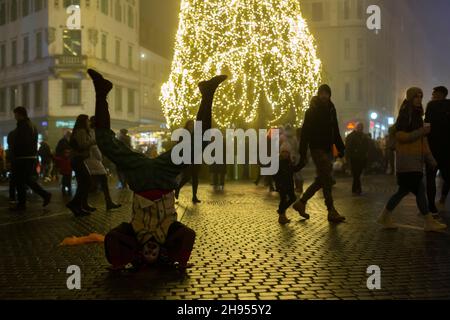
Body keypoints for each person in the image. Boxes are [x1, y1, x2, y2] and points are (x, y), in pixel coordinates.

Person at [88, 68, 227, 270]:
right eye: (154, 253)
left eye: (147, 253)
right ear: (161, 251)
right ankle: (208, 94)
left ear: (140, 252)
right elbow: (188, 235)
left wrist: (118, 263)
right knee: (202, 141)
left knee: (105, 142)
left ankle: (101, 92)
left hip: (140, 174)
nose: (150, 249)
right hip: (164, 174)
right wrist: (180, 261)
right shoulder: (169, 233)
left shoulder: (132, 234)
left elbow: (112, 238)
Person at [378, 87, 447, 232]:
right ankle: (428, 221)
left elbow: (423, 141)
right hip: (407, 161)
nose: (419, 99)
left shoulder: (417, 115)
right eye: (416, 96)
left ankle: (385, 216)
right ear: (410, 98)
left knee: (403, 191)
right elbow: (400, 136)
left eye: (421, 96)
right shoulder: (405, 115)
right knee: (419, 190)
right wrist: (421, 132)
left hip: (415, 161)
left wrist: (430, 158)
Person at [293, 85, 346, 223]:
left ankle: (301, 202)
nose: (324, 95)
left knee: (323, 178)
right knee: (326, 178)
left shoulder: (331, 109)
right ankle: (331, 211)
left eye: (326, 93)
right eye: (322, 93)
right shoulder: (312, 111)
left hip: (328, 149)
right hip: (317, 148)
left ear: (329, 95)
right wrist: (303, 153)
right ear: (319, 94)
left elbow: (335, 130)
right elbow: (305, 133)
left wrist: (341, 148)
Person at [8, 107, 52, 211]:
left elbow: (22, 143)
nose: (14, 117)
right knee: (27, 180)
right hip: (29, 156)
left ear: (19, 114)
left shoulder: (24, 125)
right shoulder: (32, 125)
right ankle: (45, 195)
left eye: (15, 114)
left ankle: (22, 204)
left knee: (20, 181)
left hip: (22, 157)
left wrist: (15, 152)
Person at [84, 116, 121, 211]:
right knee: (93, 183)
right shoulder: (92, 132)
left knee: (92, 184)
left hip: (92, 160)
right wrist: (99, 156)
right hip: (93, 160)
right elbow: (93, 146)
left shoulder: (92, 131)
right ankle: (107, 202)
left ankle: (108, 202)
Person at [425, 86, 450, 213]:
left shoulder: (431, 106)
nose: (432, 96)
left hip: (433, 148)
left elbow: (427, 126)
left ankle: (431, 206)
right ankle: (443, 197)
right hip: (447, 150)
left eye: (434, 94)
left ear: (440, 94)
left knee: (430, 178)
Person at [66, 114, 96, 216]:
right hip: (77, 159)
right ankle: (74, 204)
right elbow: (82, 145)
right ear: (84, 122)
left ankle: (78, 206)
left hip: (79, 159)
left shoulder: (81, 131)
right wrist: (94, 141)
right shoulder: (81, 131)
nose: (89, 122)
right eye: (88, 121)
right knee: (87, 182)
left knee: (84, 183)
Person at [274, 144, 308, 225]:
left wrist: (302, 163)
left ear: (289, 154)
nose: (285, 154)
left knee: (292, 198)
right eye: (283, 152)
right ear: (280, 153)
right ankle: (282, 216)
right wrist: (278, 184)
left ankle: (281, 213)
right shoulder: (278, 163)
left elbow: (295, 169)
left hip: (289, 185)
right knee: (283, 199)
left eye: (286, 152)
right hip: (282, 185)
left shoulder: (289, 162)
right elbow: (275, 175)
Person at [174, 120, 202, 204]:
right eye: (190, 124)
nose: (192, 126)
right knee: (187, 177)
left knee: (195, 178)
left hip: (196, 158)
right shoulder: (183, 134)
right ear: (187, 125)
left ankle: (194, 196)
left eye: (193, 125)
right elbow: (179, 145)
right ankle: (177, 188)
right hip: (187, 158)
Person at [345, 122, 369, 195]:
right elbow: (348, 148)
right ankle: (357, 189)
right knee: (356, 174)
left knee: (357, 174)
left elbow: (366, 146)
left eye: (361, 127)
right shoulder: (351, 136)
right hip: (354, 158)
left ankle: (355, 189)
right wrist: (348, 157)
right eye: (359, 127)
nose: (361, 128)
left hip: (361, 157)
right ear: (356, 127)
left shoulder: (364, 136)